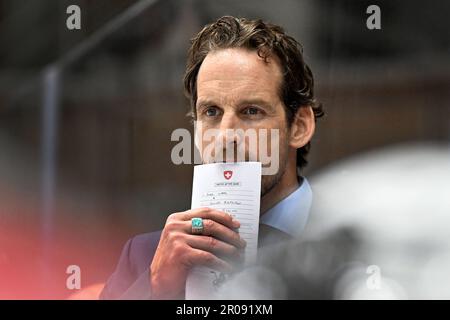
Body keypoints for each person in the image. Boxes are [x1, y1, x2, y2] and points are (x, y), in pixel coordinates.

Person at [100, 15, 323, 300]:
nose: (225, 136)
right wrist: (157, 288)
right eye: (211, 112)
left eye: (251, 111)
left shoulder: (355, 243)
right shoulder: (145, 257)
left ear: (300, 126)